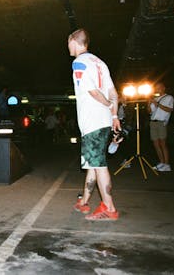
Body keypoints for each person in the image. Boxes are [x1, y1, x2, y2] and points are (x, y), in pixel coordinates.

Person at [68, 28, 120, 221]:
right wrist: (114, 114)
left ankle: (109, 207)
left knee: (99, 165)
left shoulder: (79, 62)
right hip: (104, 121)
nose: (68, 48)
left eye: (68, 43)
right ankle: (84, 201)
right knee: (93, 162)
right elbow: (114, 92)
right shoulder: (100, 63)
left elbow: (91, 90)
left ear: (74, 41)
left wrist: (106, 104)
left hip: (92, 121)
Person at [148, 82, 174, 172]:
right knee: (156, 144)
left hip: (161, 122)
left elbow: (170, 109)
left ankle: (167, 164)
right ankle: (162, 162)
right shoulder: (155, 98)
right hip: (153, 122)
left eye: (158, 87)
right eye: (156, 88)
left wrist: (157, 104)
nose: (157, 89)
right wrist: (149, 103)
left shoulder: (169, 97)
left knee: (163, 144)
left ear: (163, 88)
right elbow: (149, 112)